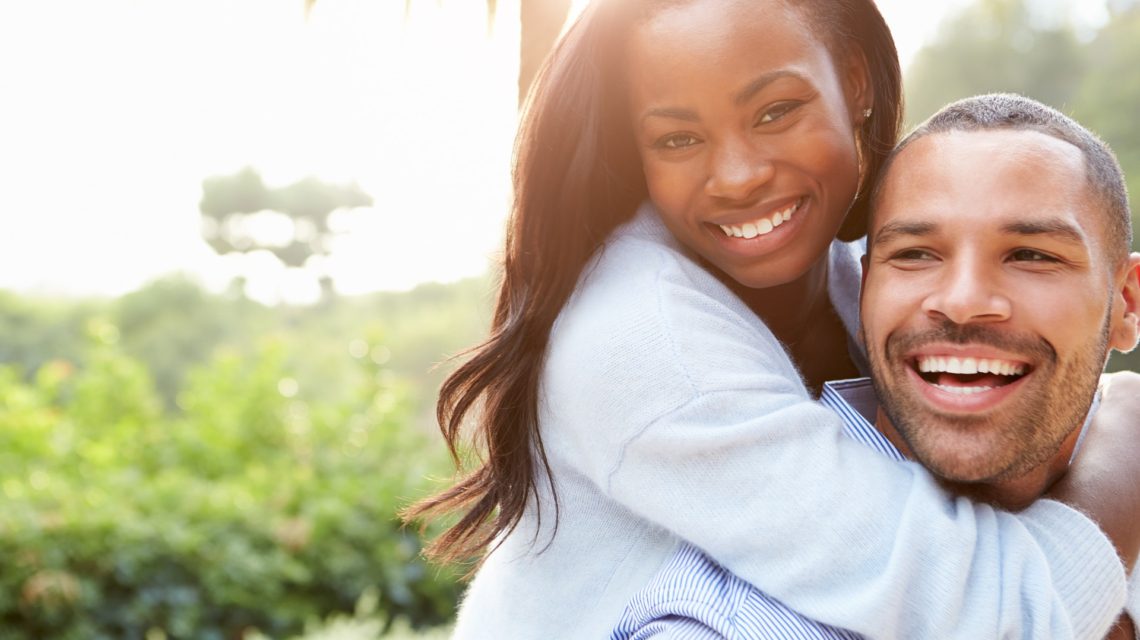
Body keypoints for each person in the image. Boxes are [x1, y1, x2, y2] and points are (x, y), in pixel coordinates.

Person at [404, 1, 1140, 637]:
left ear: (854, 81)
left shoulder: (860, 272)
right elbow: (992, 615)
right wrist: (1125, 451)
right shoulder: (643, 339)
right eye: (677, 139)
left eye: (775, 111)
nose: (738, 175)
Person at [611, 93, 1140, 639]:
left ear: (1126, 303)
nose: (961, 301)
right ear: (865, 291)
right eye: (914, 253)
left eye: (1031, 255)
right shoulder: (723, 624)